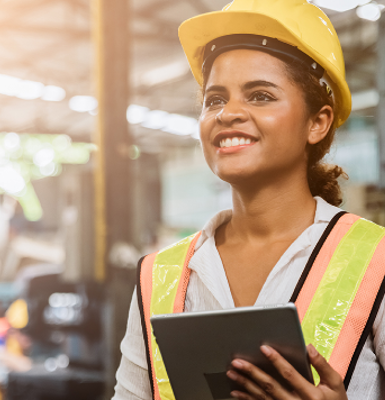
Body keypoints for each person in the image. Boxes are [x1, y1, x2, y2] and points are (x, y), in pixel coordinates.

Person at [113, 1, 385, 399]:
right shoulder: (159, 275)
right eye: (214, 100)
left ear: (317, 122)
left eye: (259, 96)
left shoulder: (375, 260)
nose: (228, 113)